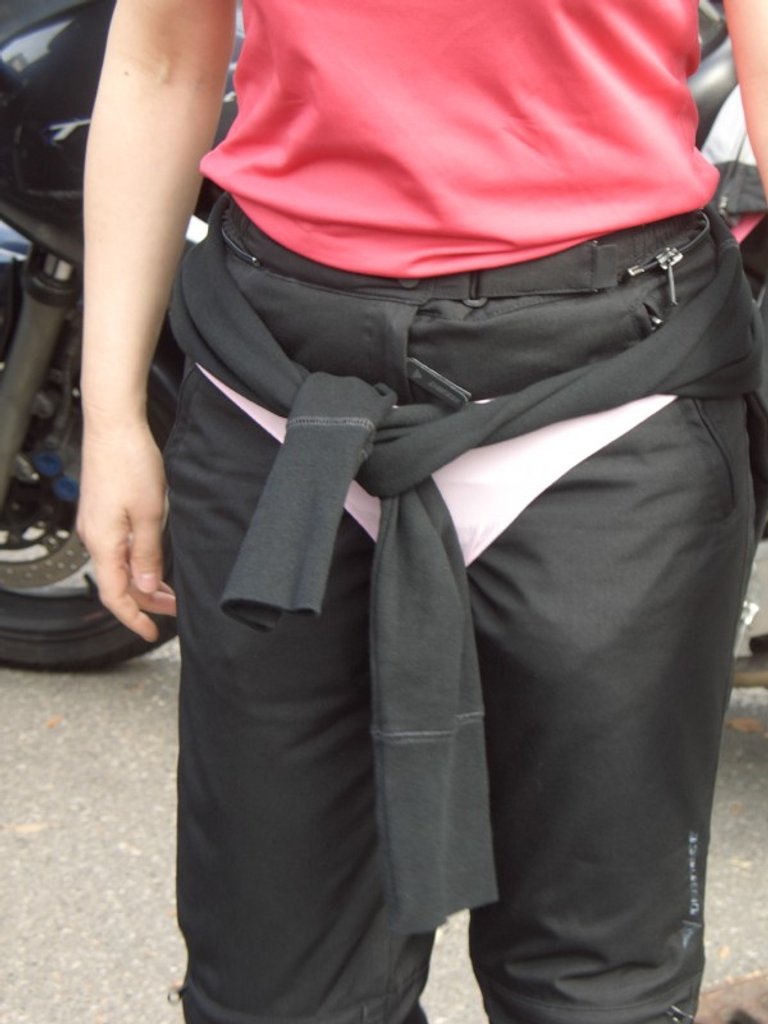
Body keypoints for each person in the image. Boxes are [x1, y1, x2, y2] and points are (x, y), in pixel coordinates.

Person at [77, 2, 768, 1022]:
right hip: (276, 391)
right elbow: (161, 62)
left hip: (610, 395)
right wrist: (109, 415)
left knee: (597, 993)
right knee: (274, 993)